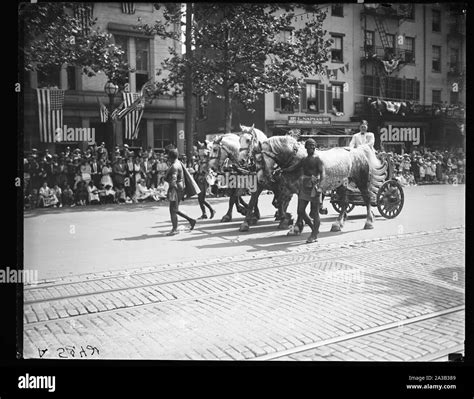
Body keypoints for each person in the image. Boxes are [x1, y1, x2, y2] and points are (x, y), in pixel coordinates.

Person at [292, 139, 322, 244]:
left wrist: (319, 184)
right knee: (300, 210)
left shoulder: (318, 159)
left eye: (313, 146)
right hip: (304, 186)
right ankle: (314, 227)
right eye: (309, 146)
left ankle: (313, 235)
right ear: (306, 147)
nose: (311, 147)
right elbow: (294, 168)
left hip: (314, 187)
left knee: (315, 212)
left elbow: (322, 173)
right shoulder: (304, 160)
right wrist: (282, 169)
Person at [164, 148, 196, 235]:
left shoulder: (174, 166)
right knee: (175, 209)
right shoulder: (178, 163)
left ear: (170, 157)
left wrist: (170, 191)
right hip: (179, 188)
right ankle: (191, 220)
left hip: (175, 189)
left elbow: (173, 181)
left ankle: (174, 229)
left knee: (173, 210)